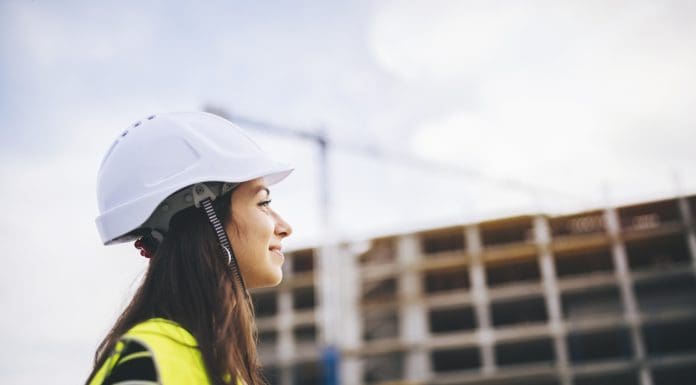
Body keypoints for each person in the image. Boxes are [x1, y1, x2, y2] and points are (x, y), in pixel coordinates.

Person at [86, 112, 294, 385]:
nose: (285, 227)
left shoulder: (216, 362)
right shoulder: (145, 363)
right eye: (263, 203)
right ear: (206, 215)